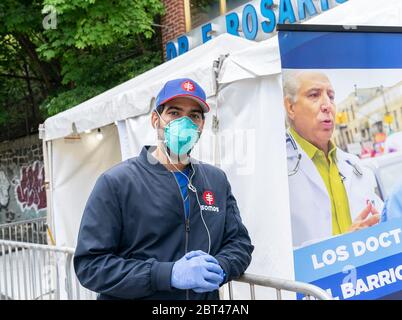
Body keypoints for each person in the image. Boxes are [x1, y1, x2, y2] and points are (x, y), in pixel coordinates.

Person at [74, 78, 254, 300]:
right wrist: (166, 275)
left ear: (202, 126)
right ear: (155, 120)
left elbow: (240, 243)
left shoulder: (216, 180)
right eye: (174, 113)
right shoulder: (117, 182)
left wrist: (222, 266)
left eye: (194, 116)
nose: (185, 123)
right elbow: (90, 265)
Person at [282, 70, 383, 248]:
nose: (327, 105)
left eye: (331, 96)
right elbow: (272, 252)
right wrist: (342, 245)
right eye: (314, 95)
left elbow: (381, 218)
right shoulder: (276, 171)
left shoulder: (354, 166)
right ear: (290, 107)